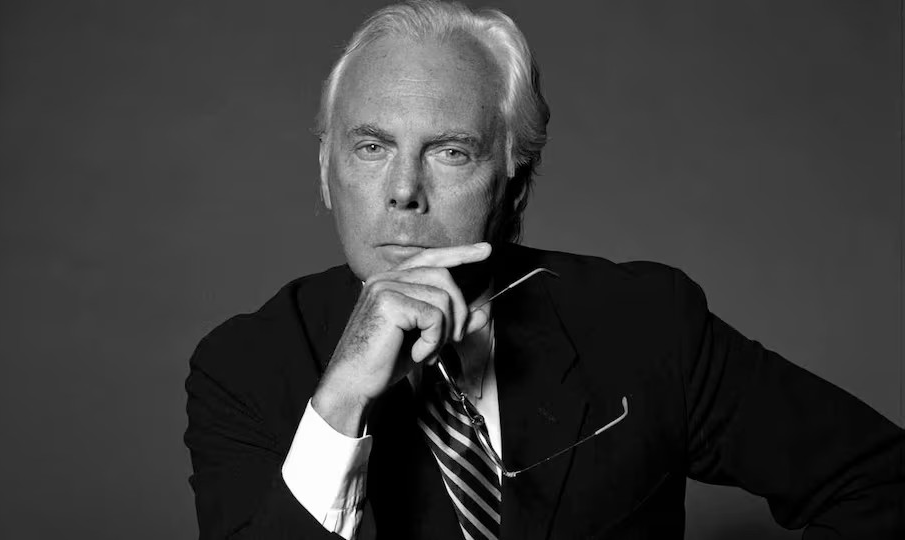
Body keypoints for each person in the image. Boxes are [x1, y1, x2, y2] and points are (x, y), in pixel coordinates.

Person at [183, 1, 905, 538]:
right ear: (325, 170)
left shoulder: (646, 323)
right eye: (372, 148)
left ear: (515, 177)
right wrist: (339, 405)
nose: (403, 190)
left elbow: (879, 480)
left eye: (450, 152)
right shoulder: (243, 368)